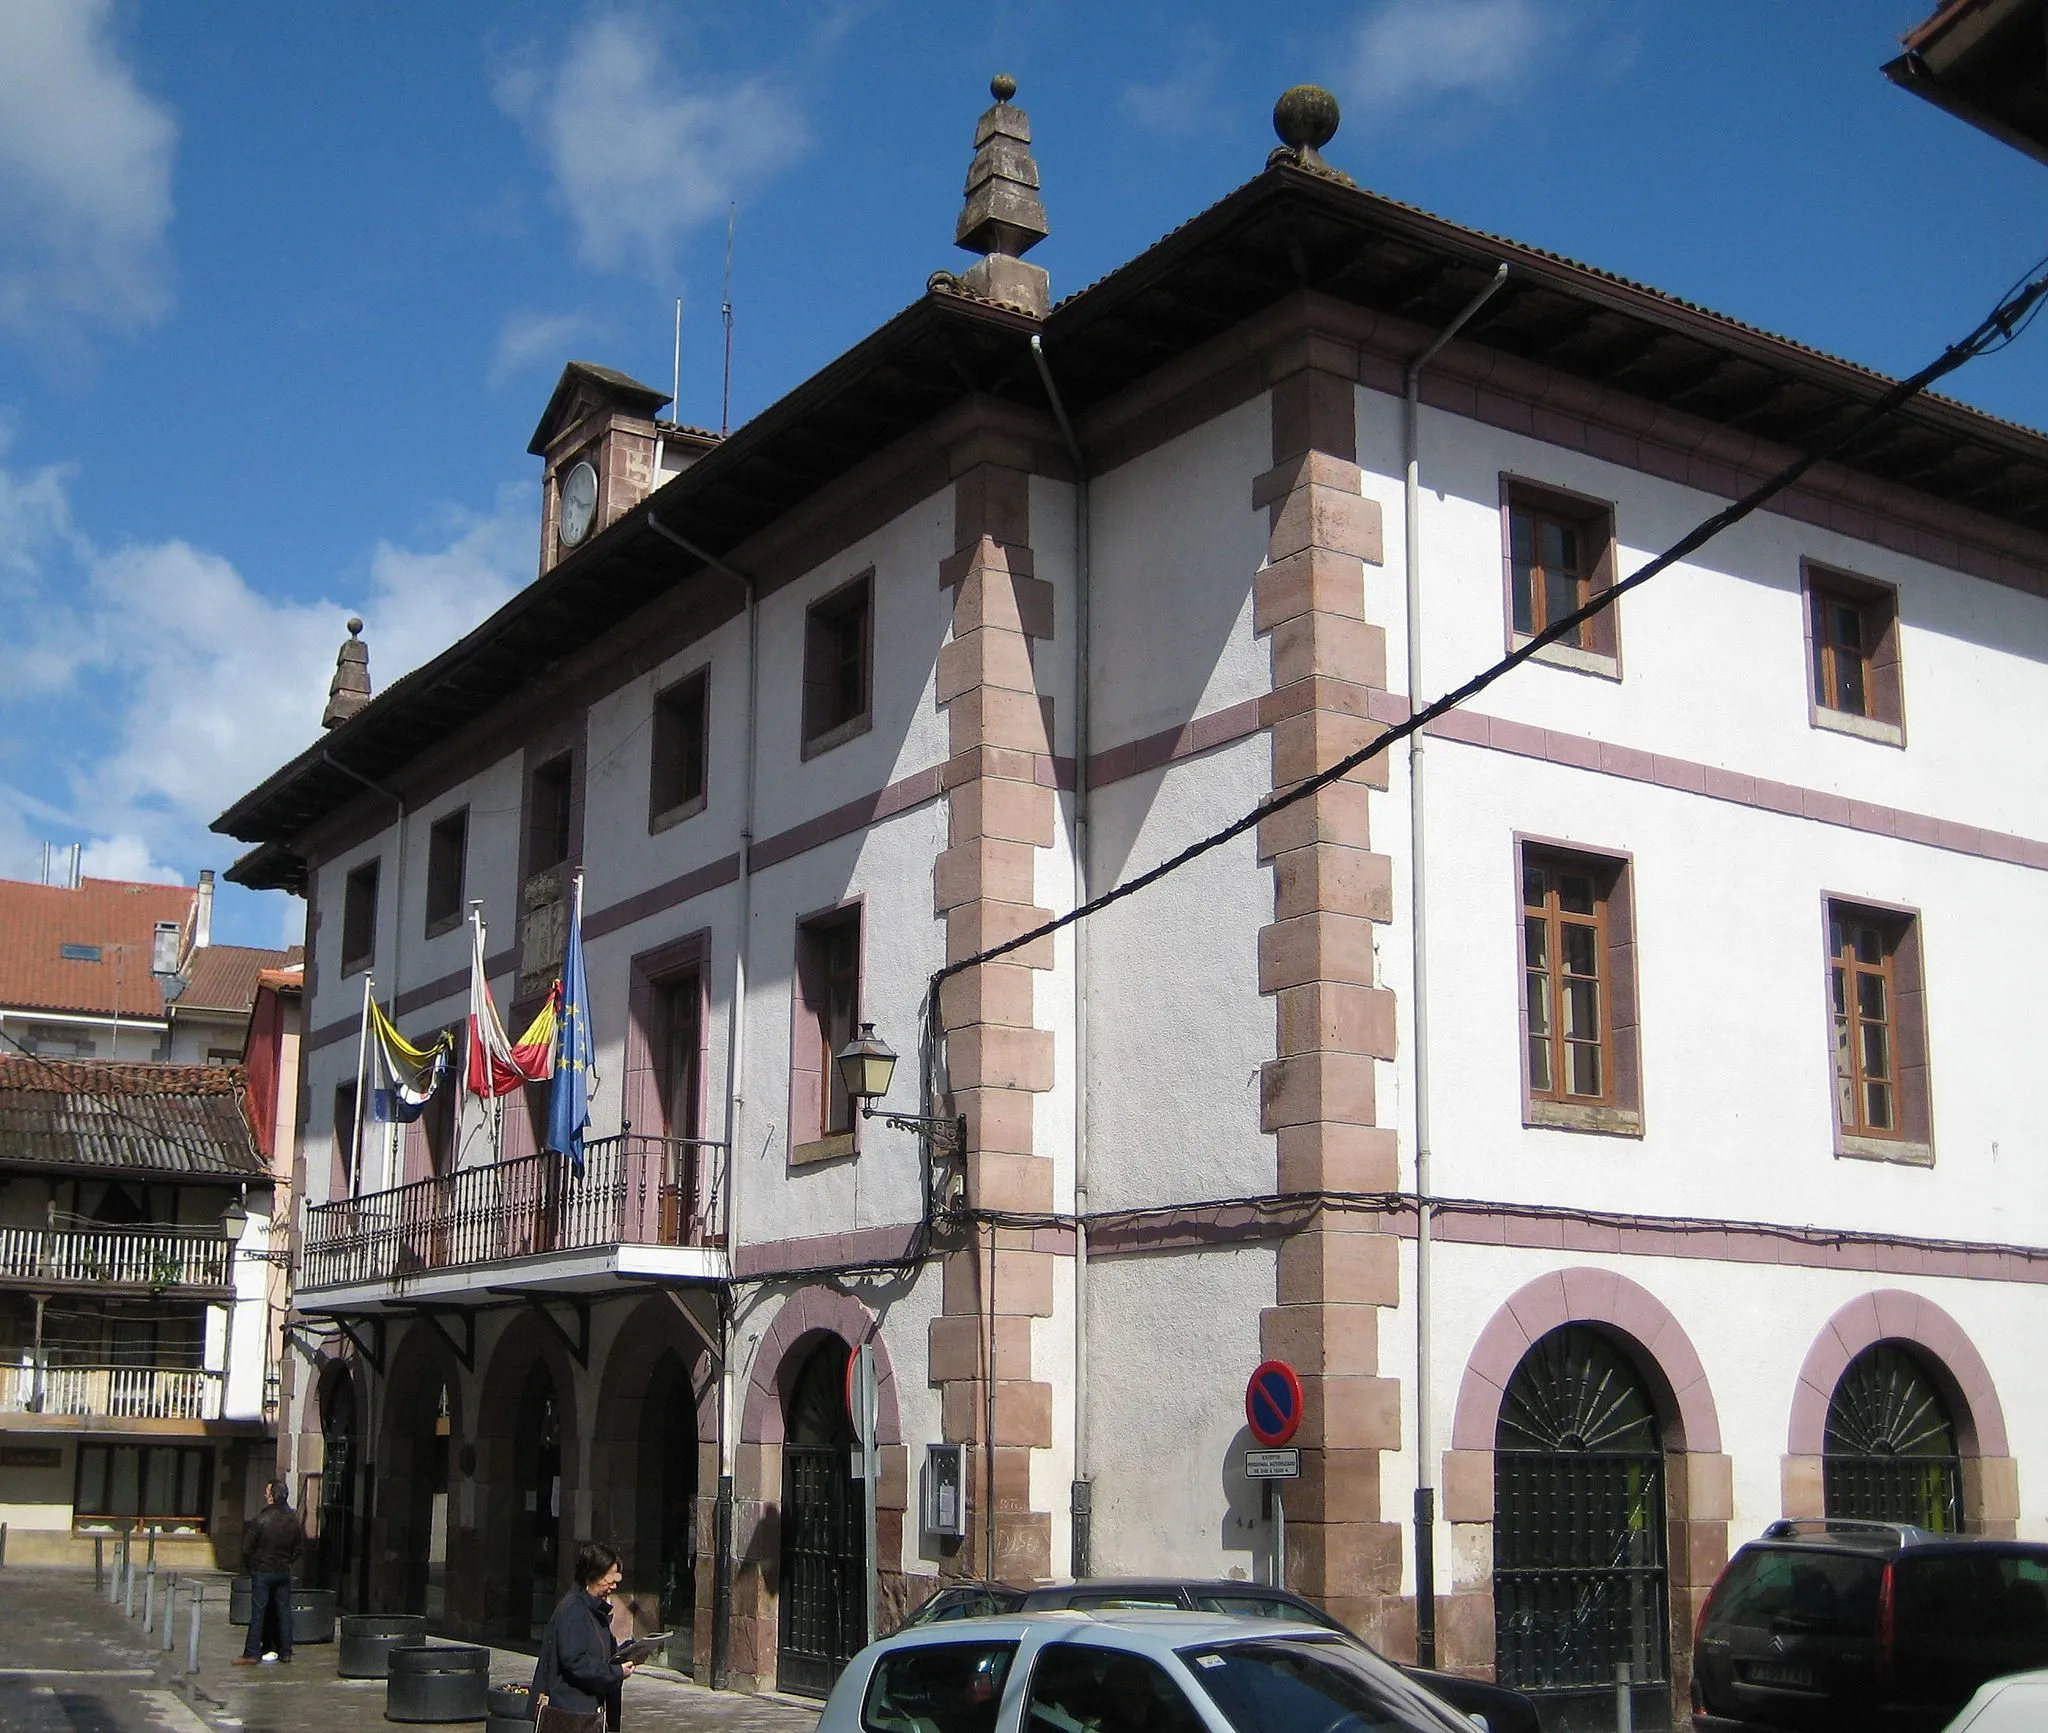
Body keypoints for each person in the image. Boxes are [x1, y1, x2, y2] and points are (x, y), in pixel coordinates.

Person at [532, 1541, 637, 1733]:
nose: (614, 1586)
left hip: (588, 1714)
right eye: (609, 1579)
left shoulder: (594, 1610)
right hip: (572, 1715)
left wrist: (628, 1653)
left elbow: (600, 1653)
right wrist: (616, 1673)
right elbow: (575, 1661)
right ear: (591, 1577)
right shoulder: (573, 1609)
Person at [235, 1479, 304, 1666]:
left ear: (273, 1497)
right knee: (284, 1611)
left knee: (258, 1612)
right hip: (282, 1571)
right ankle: (286, 1652)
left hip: (263, 1571)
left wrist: (253, 1567)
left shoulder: (261, 1519)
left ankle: (251, 1653)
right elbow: (299, 1547)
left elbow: (247, 1548)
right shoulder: (293, 1520)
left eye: (267, 1493)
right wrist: (287, 1561)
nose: (265, 1496)